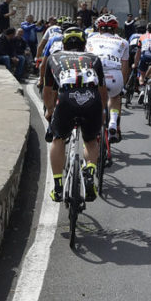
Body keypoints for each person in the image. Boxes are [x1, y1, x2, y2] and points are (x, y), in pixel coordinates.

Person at [42, 28, 108, 203]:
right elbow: (102, 90)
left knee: (58, 139)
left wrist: (49, 111)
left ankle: (57, 187)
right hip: (91, 98)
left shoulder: (53, 58)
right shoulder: (94, 58)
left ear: (63, 44)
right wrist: (102, 111)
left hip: (66, 99)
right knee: (91, 140)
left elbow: (48, 91)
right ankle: (90, 170)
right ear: (84, 44)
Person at [85, 14, 130, 142]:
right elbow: (124, 68)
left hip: (94, 73)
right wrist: (123, 85)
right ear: (115, 29)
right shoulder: (123, 42)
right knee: (115, 97)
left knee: (94, 101)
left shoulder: (90, 39)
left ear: (99, 28)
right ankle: (113, 122)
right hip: (114, 74)